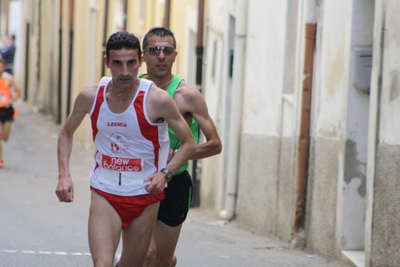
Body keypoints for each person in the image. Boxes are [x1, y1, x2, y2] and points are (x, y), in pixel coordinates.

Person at [55, 31, 196, 267]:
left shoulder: (157, 99)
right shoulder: (91, 96)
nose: (125, 72)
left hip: (144, 195)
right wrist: (64, 175)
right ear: (106, 62)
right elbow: (66, 132)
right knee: (102, 264)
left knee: (139, 262)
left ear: (140, 60)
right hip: (105, 191)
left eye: (131, 63)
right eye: (117, 64)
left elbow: (189, 142)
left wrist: (166, 173)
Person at [141, 27, 222, 267]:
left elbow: (215, 144)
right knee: (145, 255)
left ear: (175, 55)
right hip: (139, 181)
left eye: (167, 50)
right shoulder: (132, 89)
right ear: (143, 56)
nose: (161, 55)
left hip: (174, 184)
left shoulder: (187, 95)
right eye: (154, 50)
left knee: (161, 260)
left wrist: (178, 154)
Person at [0, 58, 21, 168]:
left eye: (1, 66)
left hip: (7, 110)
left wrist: (10, 101)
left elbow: (19, 92)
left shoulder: (8, 79)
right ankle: (0, 158)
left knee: (5, 137)